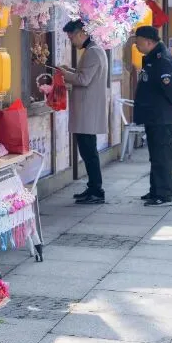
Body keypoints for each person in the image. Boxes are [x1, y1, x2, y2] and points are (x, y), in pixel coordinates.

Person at [132, 25, 172, 207]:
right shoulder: (153, 57)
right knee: (155, 156)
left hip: (163, 117)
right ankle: (155, 190)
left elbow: (170, 88)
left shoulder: (162, 59)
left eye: (138, 42)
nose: (136, 46)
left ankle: (163, 195)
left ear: (148, 41)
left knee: (162, 157)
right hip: (154, 115)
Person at [61, 20, 109, 205]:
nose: (71, 41)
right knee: (88, 151)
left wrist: (64, 75)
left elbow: (84, 79)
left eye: (72, 37)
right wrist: (69, 70)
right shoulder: (93, 50)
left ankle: (96, 190)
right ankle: (93, 187)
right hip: (87, 109)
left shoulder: (93, 51)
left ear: (82, 33)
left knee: (89, 152)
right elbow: (84, 74)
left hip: (88, 110)